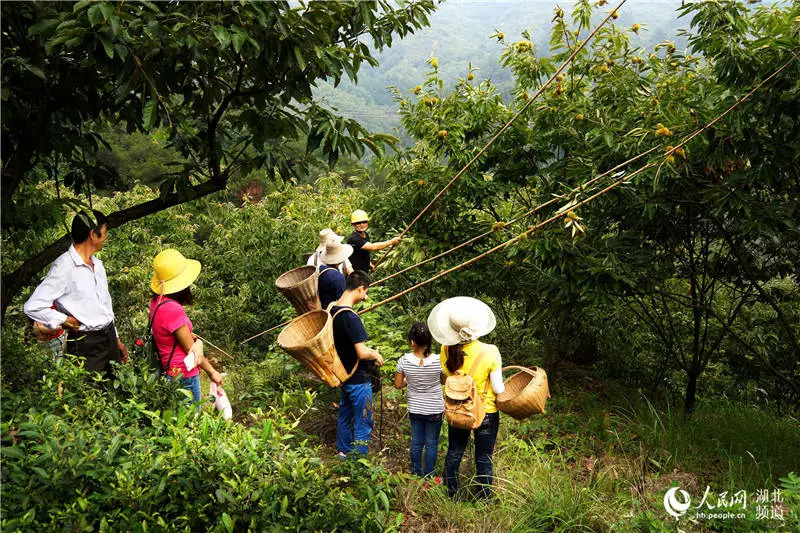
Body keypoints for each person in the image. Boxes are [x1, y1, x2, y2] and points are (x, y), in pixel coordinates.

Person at [24, 210, 128, 378]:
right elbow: (33, 306)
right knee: (89, 397)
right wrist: (64, 320)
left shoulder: (98, 265)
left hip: (108, 337)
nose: (106, 237)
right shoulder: (64, 267)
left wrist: (115, 339)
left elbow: (104, 306)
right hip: (85, 343)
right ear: (93, 235)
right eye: (104, 232)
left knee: (115, 392)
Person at [428, 297, 505, 500]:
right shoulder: (490, 351)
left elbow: (446, 378)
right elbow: (498, 388)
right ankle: (483, 497)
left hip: (457, 409)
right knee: (484, 457)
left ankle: (451, 492)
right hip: (486, 411)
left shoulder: (445, 350)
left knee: (454, 452)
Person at [149, 249, 223, 403]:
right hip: (184, 376)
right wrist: (212, 372)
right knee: (191, 422)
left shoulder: (156, 302)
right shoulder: (173, 309)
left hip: (170, 372)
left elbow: (169, 335)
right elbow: (192, 352)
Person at [329, 270, 384, 456]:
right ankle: (358, 464)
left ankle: (342, 454)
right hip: (359, 380)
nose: (365, 296)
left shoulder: (332, 310)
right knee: (363, 420)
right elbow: (361, 352)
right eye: (365, 292)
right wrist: (375, 354)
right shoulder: (350, 316)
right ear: (360, 289)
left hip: (344, 375)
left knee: (345, 416)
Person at [394, 322, 444, 479]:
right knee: (431, 444)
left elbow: (398, 385)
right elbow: (443, 380)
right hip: (435, 408)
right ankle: (429, 478)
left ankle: (416, 475)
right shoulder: (439, 360)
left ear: (412, 342)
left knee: (416, 443)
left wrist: (408, 381)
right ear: (429, 342)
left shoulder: (404, 361)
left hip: (415, 409)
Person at [317, 239, 353, 310]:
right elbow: (342, 302)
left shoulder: (321, 269)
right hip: (332, 312)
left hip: (322, 310)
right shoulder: (337, 277)